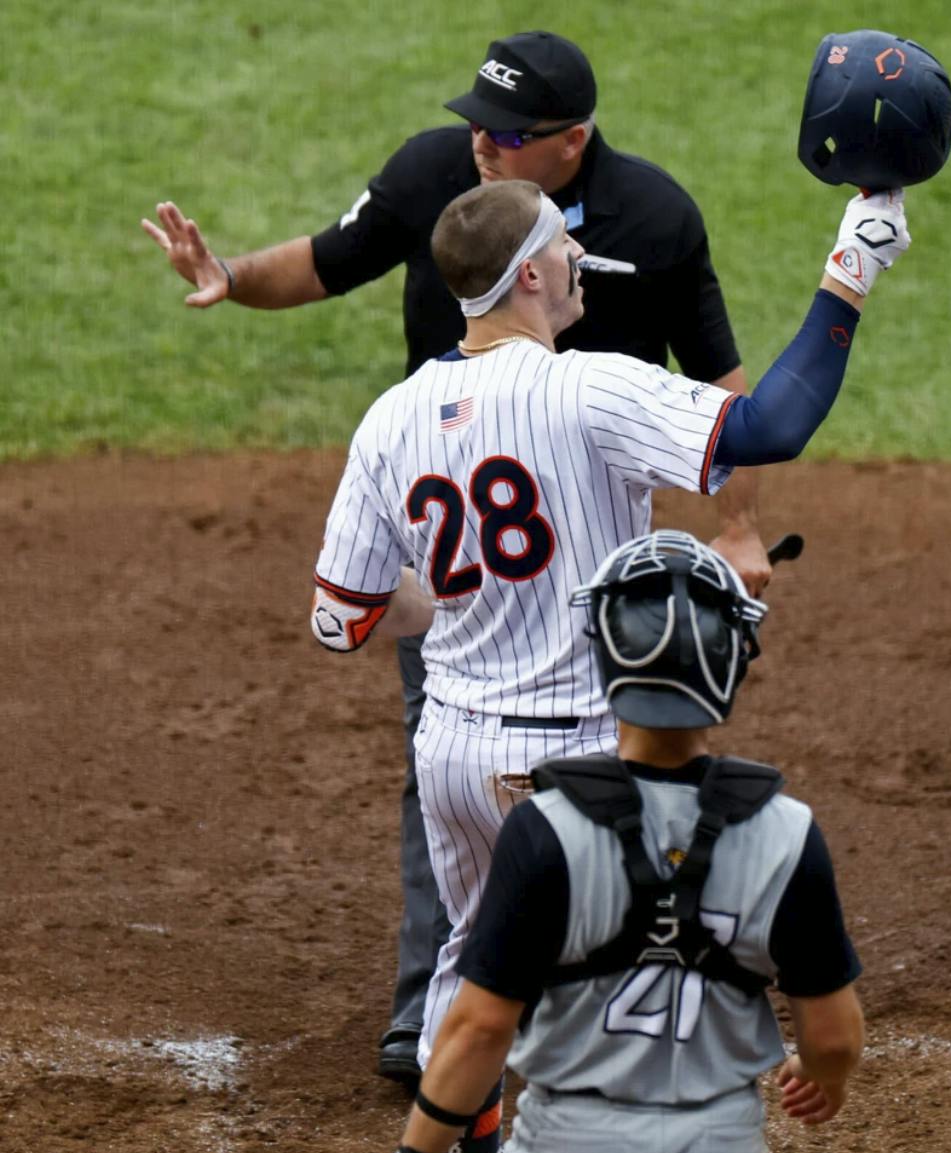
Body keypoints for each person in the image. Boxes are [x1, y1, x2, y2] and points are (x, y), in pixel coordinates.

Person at [142, 30, 772, 1084]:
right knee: (451, 761)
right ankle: (437, 1012)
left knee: (589, 771)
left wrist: (740, 525)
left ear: (571, 142)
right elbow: (326, 260)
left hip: (595, 568)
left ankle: (576, 1006)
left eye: (506, 131)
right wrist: (227, 278)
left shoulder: (655, 218)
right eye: (475, 118)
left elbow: (721, 379)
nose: (479, 141)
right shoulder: (438, 171)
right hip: (465, 551)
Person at [315, 177, 904, 1153]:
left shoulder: (392, 414)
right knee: (604, 992)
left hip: (453, 753)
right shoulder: (590, 386)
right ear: (531, 273)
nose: (580, 256)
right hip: (581, 759)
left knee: (474, 968)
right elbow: (769, 427)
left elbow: (343, 618)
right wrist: (853, 266)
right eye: (563, 244)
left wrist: (462, 603)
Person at [357, 531, 863, 1153]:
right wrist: (822, 1076)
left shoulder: (543, 828)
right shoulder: (787, 833)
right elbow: (834, 1037)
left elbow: (480, 1028)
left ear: (602, 655)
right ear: (732, 661)